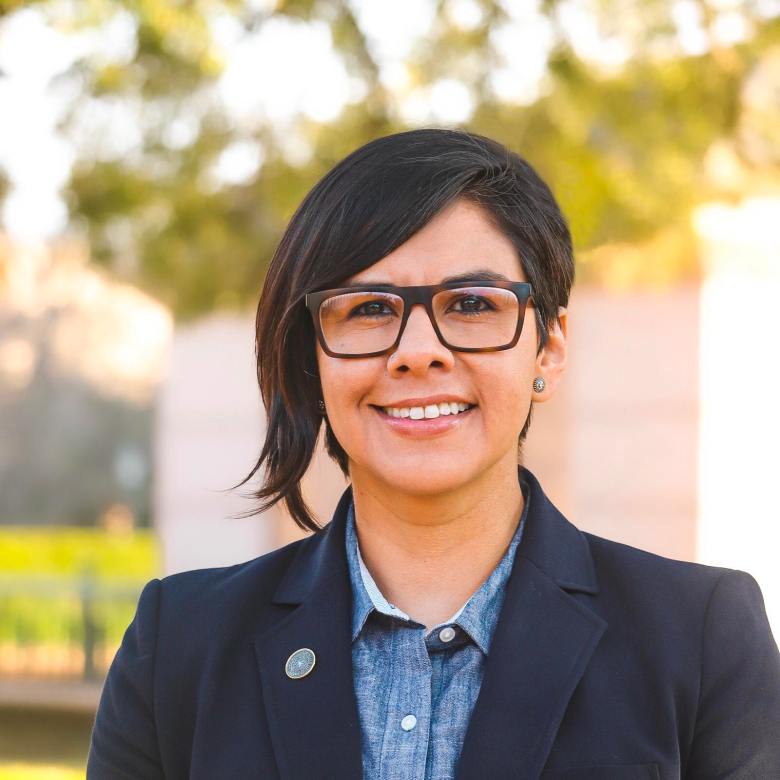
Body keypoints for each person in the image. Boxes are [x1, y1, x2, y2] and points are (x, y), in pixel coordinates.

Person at [87, 129, 780, 779]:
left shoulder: (701, 638)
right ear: (311, 357)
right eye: (369, 309)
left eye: (472, 305)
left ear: (549, 346)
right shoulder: (177, 646)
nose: (419, 353)